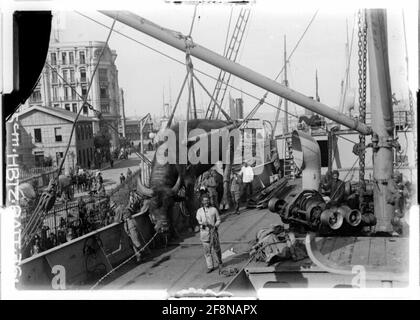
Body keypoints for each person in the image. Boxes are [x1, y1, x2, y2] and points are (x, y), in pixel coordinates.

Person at [196, 195, 223, 273]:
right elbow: (199, 222)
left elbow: (218, 220)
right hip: (204, 234)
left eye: (207, 200)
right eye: (204, 200)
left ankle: (220, 262)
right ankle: (210, 266)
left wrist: (215, 225)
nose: (206, 202)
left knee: (217, 249)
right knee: (207, 251)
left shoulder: (214, 210)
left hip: (213, 233)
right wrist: (203, 224)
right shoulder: (199, 211)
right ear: (202, 202)